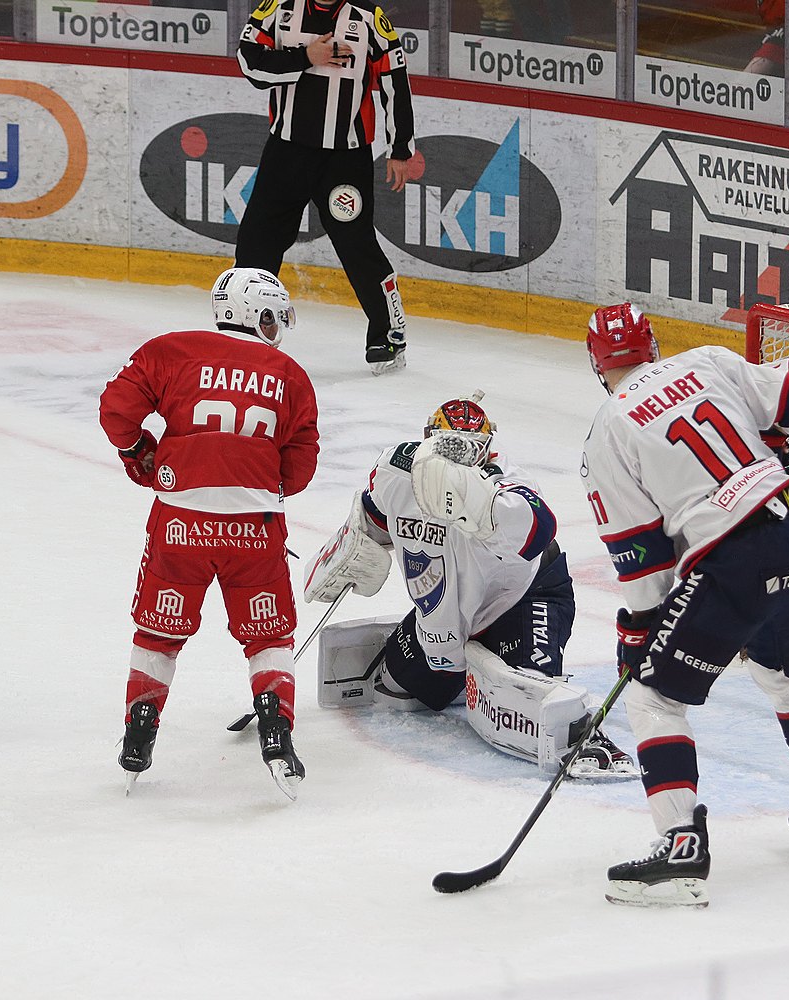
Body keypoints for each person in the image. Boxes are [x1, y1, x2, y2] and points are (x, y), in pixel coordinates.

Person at [579, 302, 789, 908]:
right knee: (786, 674)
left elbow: (644, 558)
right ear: (653, 346)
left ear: (597, 365)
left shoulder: (606, 431)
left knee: (654, 696)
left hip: (734, 563)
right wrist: (770, 436)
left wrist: (642, 633)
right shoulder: (708, 361)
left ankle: (680, 843)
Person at [302, 395, 636, 779]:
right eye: (446, 445)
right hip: (454, 608)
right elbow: (374, 514)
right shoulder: (397, 469)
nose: (455, 456)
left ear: (487, 449)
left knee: (533, 702)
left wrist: (475, 500)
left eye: (467, 448)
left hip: (523, 596)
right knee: (399, 688)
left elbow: (539, 529)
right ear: (427, 437)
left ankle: (576, 727)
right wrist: (350, 550)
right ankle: (469, 661)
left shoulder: (506, 484)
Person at [99, 267, 320, 799]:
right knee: (268, 635)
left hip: (180, 522)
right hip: (254, 529)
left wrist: (140, 453)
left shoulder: (169, 350)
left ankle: (138, 733)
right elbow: (301, 467)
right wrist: (257, 485)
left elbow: (116, 411)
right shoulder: (289, 372)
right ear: (259, 315)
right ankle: (276, 732)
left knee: (159, 632)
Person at [235, 0, 415, 376]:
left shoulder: (370, 18)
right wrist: (305, 57)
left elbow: (394, 81)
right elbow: (249, 62)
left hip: (345, 159)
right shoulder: (278, 7)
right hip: (286, 152)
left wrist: (400, 148)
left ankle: (387, 333)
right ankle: (246, 329)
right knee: (257, 240)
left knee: (356, 244)